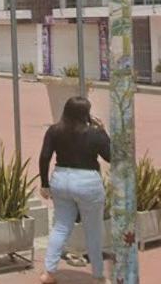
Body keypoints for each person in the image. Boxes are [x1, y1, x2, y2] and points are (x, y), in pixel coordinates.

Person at [38, 96, 110, 283]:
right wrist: (103, 131)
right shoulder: (94, 133)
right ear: (85, 113)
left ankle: (49, 272)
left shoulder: (54, 130)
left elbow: (44, 157)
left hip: (61, 179)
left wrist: (45, 184)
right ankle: (98, 275)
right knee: (93, 230)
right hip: (87, 182)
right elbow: (110, 156)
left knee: (61, 227)